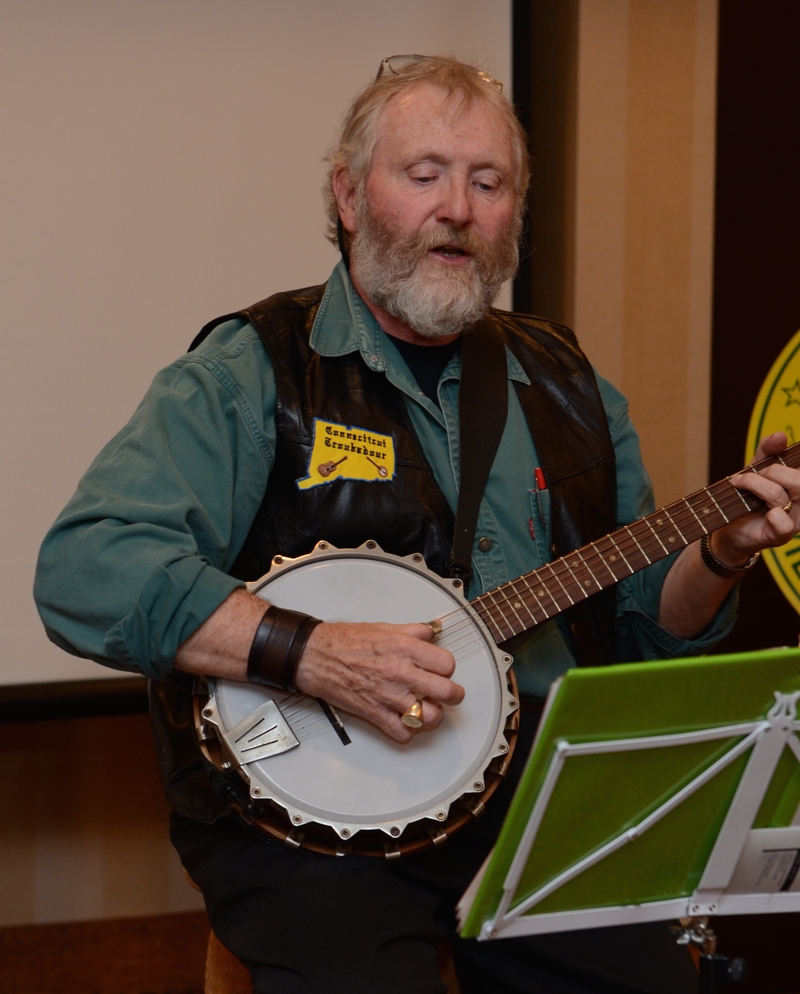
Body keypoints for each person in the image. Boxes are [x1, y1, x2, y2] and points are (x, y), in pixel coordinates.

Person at [34, 56, 800, 994]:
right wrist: (309, 651)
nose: (460, 208)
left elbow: (645, 626)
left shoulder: (567, 384)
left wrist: (719, 551)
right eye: (425, 174)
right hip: (307, 828)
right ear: (350, 196)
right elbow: (88, 565)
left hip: (528, 801)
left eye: (489, 182)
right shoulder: (249, 372)